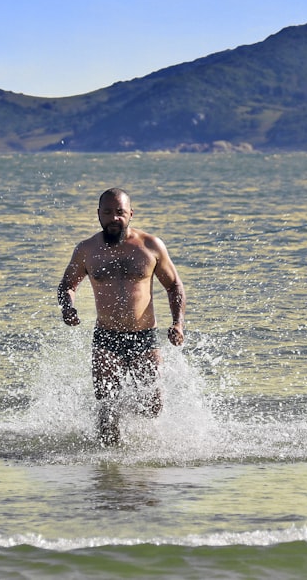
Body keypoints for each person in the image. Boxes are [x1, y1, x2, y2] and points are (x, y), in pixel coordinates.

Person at [57, 187, 185, 445]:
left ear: (130, 214)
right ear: (98, 214)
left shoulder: (151, 246)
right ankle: (108, 471)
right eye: (107, 212)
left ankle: (137, 453)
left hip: (145, 337)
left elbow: (174, 286)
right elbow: (67, 285)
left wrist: (178, 324)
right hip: (106, 338)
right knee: (106, 410)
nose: (114, 218)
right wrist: (68, 308)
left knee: (153, 407)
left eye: (120, 212)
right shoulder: (86, 250)